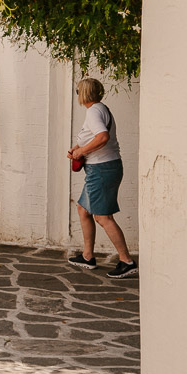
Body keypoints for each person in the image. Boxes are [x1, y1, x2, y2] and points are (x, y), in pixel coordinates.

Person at [67, 77, 137, 278]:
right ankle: (88, 256)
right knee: (83, 209)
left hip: (101, 169)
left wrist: (81, 153)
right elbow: (95, 137)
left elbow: (102, 137)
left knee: (102, 217)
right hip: (101, 168)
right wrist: (78, 148)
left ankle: (127, 261)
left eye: (78, 91)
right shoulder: (100, 108)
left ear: (84, 93)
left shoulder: (93, 111)